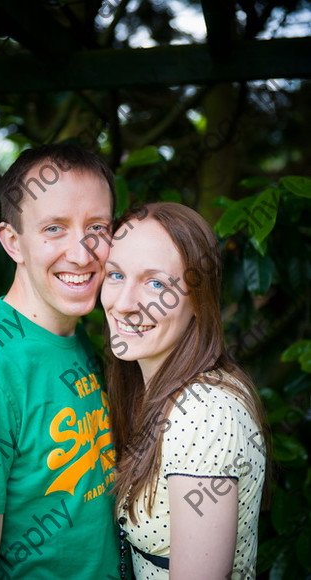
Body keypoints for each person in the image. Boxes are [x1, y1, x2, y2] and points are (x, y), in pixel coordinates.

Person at [0, 143, 123, 579]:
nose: (82, 252)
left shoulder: (79, 332)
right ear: (13, 241)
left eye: (97, 227)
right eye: (54, 228)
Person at [101, 202, 269, 580]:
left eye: (156, 283)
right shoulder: (152, 389)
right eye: (115, 275)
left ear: (199, 299)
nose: (124, 304)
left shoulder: (205, 413)